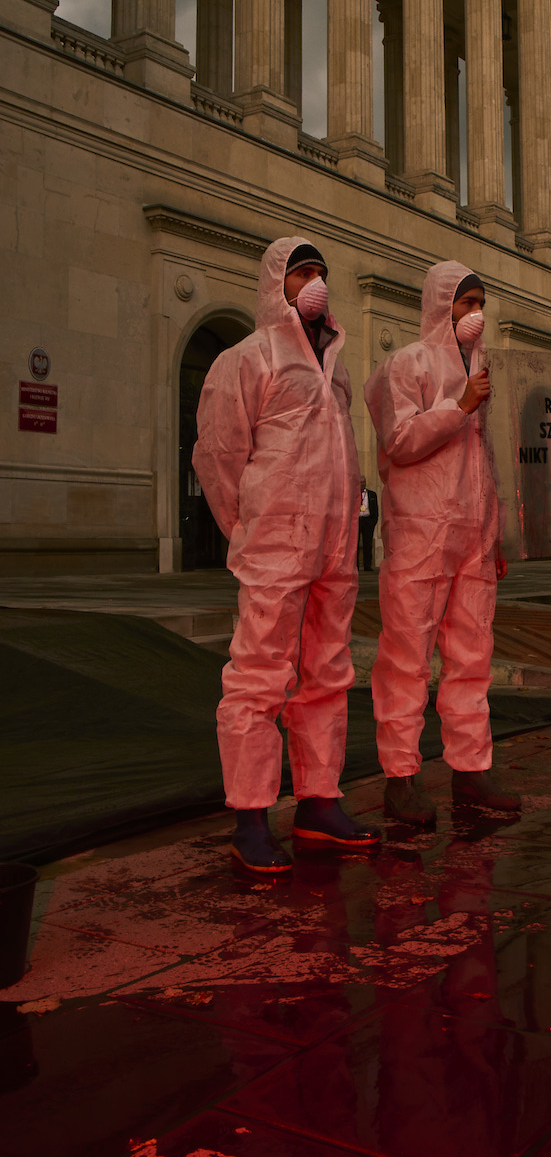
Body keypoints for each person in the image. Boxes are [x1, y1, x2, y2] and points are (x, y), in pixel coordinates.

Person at [193, 237, 380, 872]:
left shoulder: (338, 365)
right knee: (258, 678)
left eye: (322, 273)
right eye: (303, 272)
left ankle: (319, 801)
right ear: (277, 282)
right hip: (276, 545)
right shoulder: (247, 358)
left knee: (327, 674)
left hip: (334, 546)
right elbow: (218, 456)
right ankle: (250, 815)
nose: (315, 283)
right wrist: (247, 528)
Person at [364, 261, 521, 827]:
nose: (474, 312)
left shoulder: (480, 371)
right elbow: (400, 440)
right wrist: (459, 408)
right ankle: (401, 778)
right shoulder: (406, 364)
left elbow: (486, 462)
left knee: (472, 660)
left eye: (480, 301)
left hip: (471, 542)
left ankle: (471, 771)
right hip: (421, 536)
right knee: (407, 660)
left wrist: (496, 532)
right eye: (465, 301)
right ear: (440, 305)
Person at [357, 476, 379, 571]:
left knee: (368, 543)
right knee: (355, 544)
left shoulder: (372, 494)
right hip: (357, 520)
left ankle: (367, 565)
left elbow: (375, 509)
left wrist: (373, 521)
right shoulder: (353, 494)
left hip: (368, 520)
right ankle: (355, 566)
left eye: (363, 482)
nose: (362, 484)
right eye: (360, 482)